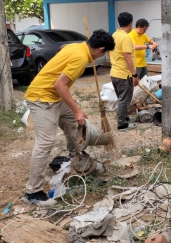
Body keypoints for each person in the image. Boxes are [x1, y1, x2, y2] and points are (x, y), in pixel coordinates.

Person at [23, 29, 115, 206]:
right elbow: (60, 84)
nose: (103, 56)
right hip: (41, 97)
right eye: (106, 53)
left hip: (54, 96)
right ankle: (32, 192)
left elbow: (61, 52)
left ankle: (75, 155)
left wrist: (74, 113)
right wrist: (77, 110)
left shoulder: (77, 47)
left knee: (72, 124)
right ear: (101, 49)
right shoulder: (81, 58)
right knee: (46, 142)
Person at [110, 12, 139, 131]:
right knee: (124, 99)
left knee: (122, 98)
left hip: (114, 73)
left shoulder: (114, 35)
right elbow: (127, 57)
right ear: (131, 23)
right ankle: (121, 124)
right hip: (123, 74)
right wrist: (134, 75)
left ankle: (124, 117)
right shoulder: (126, 37)